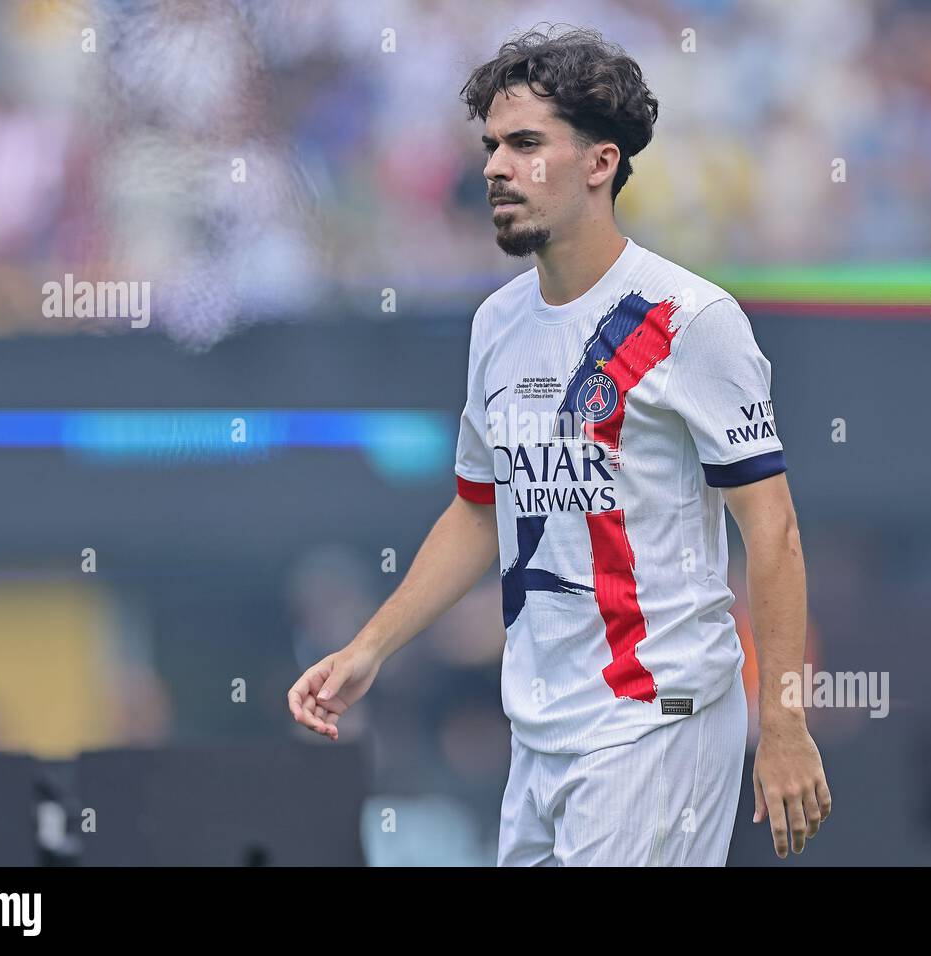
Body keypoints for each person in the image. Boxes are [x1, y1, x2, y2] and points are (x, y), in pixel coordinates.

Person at [289, 24, 830, 866]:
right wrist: (369, 649)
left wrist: (786, 724)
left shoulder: (690, 320)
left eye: (526, 143)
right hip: (540, 736)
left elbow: (774, 531)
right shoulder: (496, 325)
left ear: (600, 162)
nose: (496, 167)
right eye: (492, 146)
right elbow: (479, 513)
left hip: (659, 725)